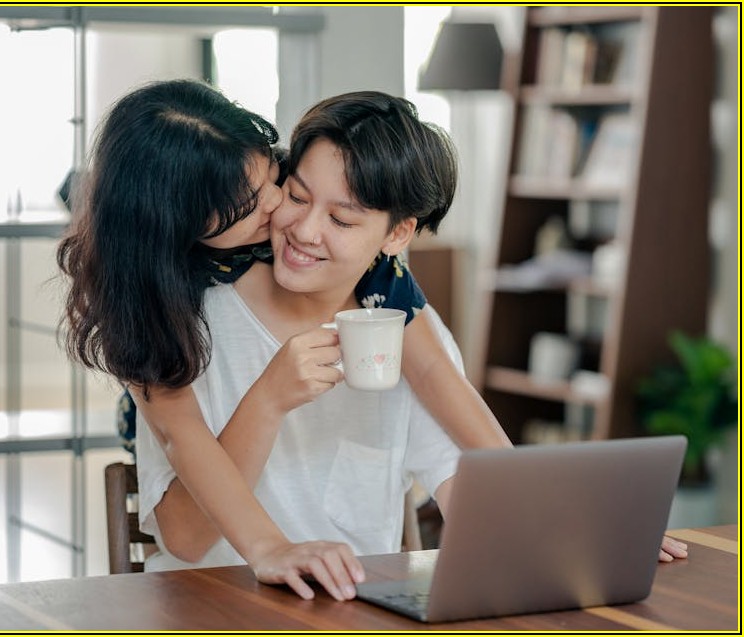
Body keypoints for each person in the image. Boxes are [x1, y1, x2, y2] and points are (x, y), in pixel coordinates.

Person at [58, 82, 687, 600]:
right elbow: (188, 534)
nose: (292, 221)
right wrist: (269, 402)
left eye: (340, 217)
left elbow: (455, 425)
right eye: (294, 196)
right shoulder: (171, 311)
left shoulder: (394, 308)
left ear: (398, 233)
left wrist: (577, 520)